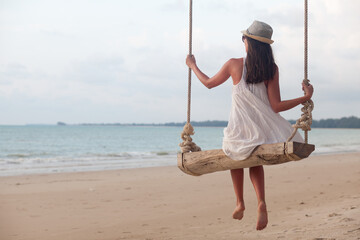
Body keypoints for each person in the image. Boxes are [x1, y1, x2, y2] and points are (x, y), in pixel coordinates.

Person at [186, 20, 314, 231]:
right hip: (264, 130)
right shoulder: (272, 69)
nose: (242, 41)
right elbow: (276, 106)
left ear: (248, 42)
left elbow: (208, 83)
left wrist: (192, 65)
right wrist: (305, 97)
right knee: (255, 158)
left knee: (233, 154)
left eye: (243, 38)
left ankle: (240, 202)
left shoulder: (234, 64)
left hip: (239, 128)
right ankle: (261, 201)